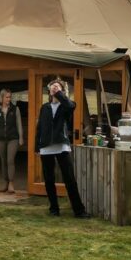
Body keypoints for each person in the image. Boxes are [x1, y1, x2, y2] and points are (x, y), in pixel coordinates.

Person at [35, 79, 90, 218]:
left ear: (62, 91)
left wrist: (59, 93)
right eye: (53, 87)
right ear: (49, 91)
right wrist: (37, 146)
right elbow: (40, 127)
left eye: (58, 87)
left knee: (69, 179)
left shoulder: (66, 105)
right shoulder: (45, 107)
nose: (55, 88)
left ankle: (79, 211)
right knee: (49, 179)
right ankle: (54, 209)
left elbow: (70, 106)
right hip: (46, 147)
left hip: (62, 146)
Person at [0, 89, 23, 194]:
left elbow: (19, 124)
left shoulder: (15, 109)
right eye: (7, 97)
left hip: (13, 138)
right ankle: (5, 182)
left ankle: (11, 183)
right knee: (3, 161)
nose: (9, 99)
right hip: (0, 139)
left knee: (10, 160)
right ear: (2, 98)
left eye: (10, 97)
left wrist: (21, 137)